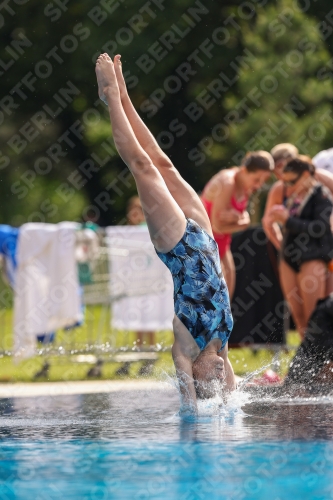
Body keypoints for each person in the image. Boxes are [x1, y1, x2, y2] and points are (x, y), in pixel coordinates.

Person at [95, 53, 236, 411]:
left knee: (142, 166)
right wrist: (227, 404)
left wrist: (192, 405)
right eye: (223, 377)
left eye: (213, 380)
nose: (221, 375)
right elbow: (233, 401)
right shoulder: (222, 343)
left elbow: (188, 405)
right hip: (204, 239)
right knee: (163, 162)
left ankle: (110, 96)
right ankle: (125, 94)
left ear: (195, 374)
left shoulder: (185, 347)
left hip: (176, 247)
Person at [267, 156, 333, 338]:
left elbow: (320, 228)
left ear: (305, 175)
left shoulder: (322, 195)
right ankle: (307, 364)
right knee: (299, 317)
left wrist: (287, 220)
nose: (287, 186)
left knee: (315, 316)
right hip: (289, 257)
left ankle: (323, 365)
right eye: (284, 181)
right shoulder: (291, 196)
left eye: (291, 181)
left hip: (313, 257)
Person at [200, 152, 274, 298]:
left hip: (222, 244)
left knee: (227, 301)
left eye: (263, 181)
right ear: (245, 170)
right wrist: (243, 223)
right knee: (211, 304)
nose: (259, 185)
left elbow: (241, 217)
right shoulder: (227, 183)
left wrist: (242, 219)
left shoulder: (244, 184)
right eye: (256, 179)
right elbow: (217, 227)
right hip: (205, 245)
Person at [126, 195, 156, 349]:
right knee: (137, 317)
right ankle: (138, 347)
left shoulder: (146, 230)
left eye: (138, 210)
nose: (134, 213)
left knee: (148, 317)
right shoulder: (127, 232)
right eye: (132, 210)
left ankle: (150, 347)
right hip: (135, 280)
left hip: (147, 279)